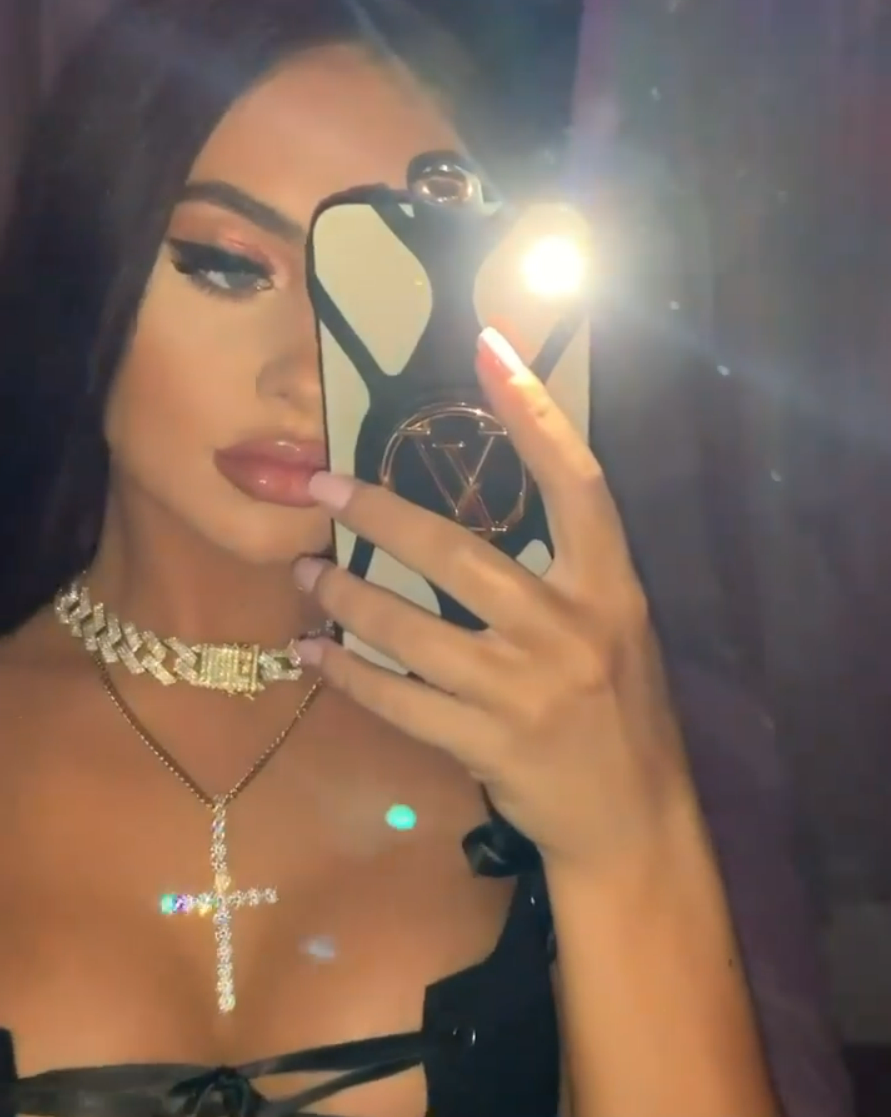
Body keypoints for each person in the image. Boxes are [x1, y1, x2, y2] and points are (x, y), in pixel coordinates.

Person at [0, 1, 853, 1115]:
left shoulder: (547, 732)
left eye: (377, 282)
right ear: (87, 258)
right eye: (228, 264)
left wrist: (627, 830)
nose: (306, 371)